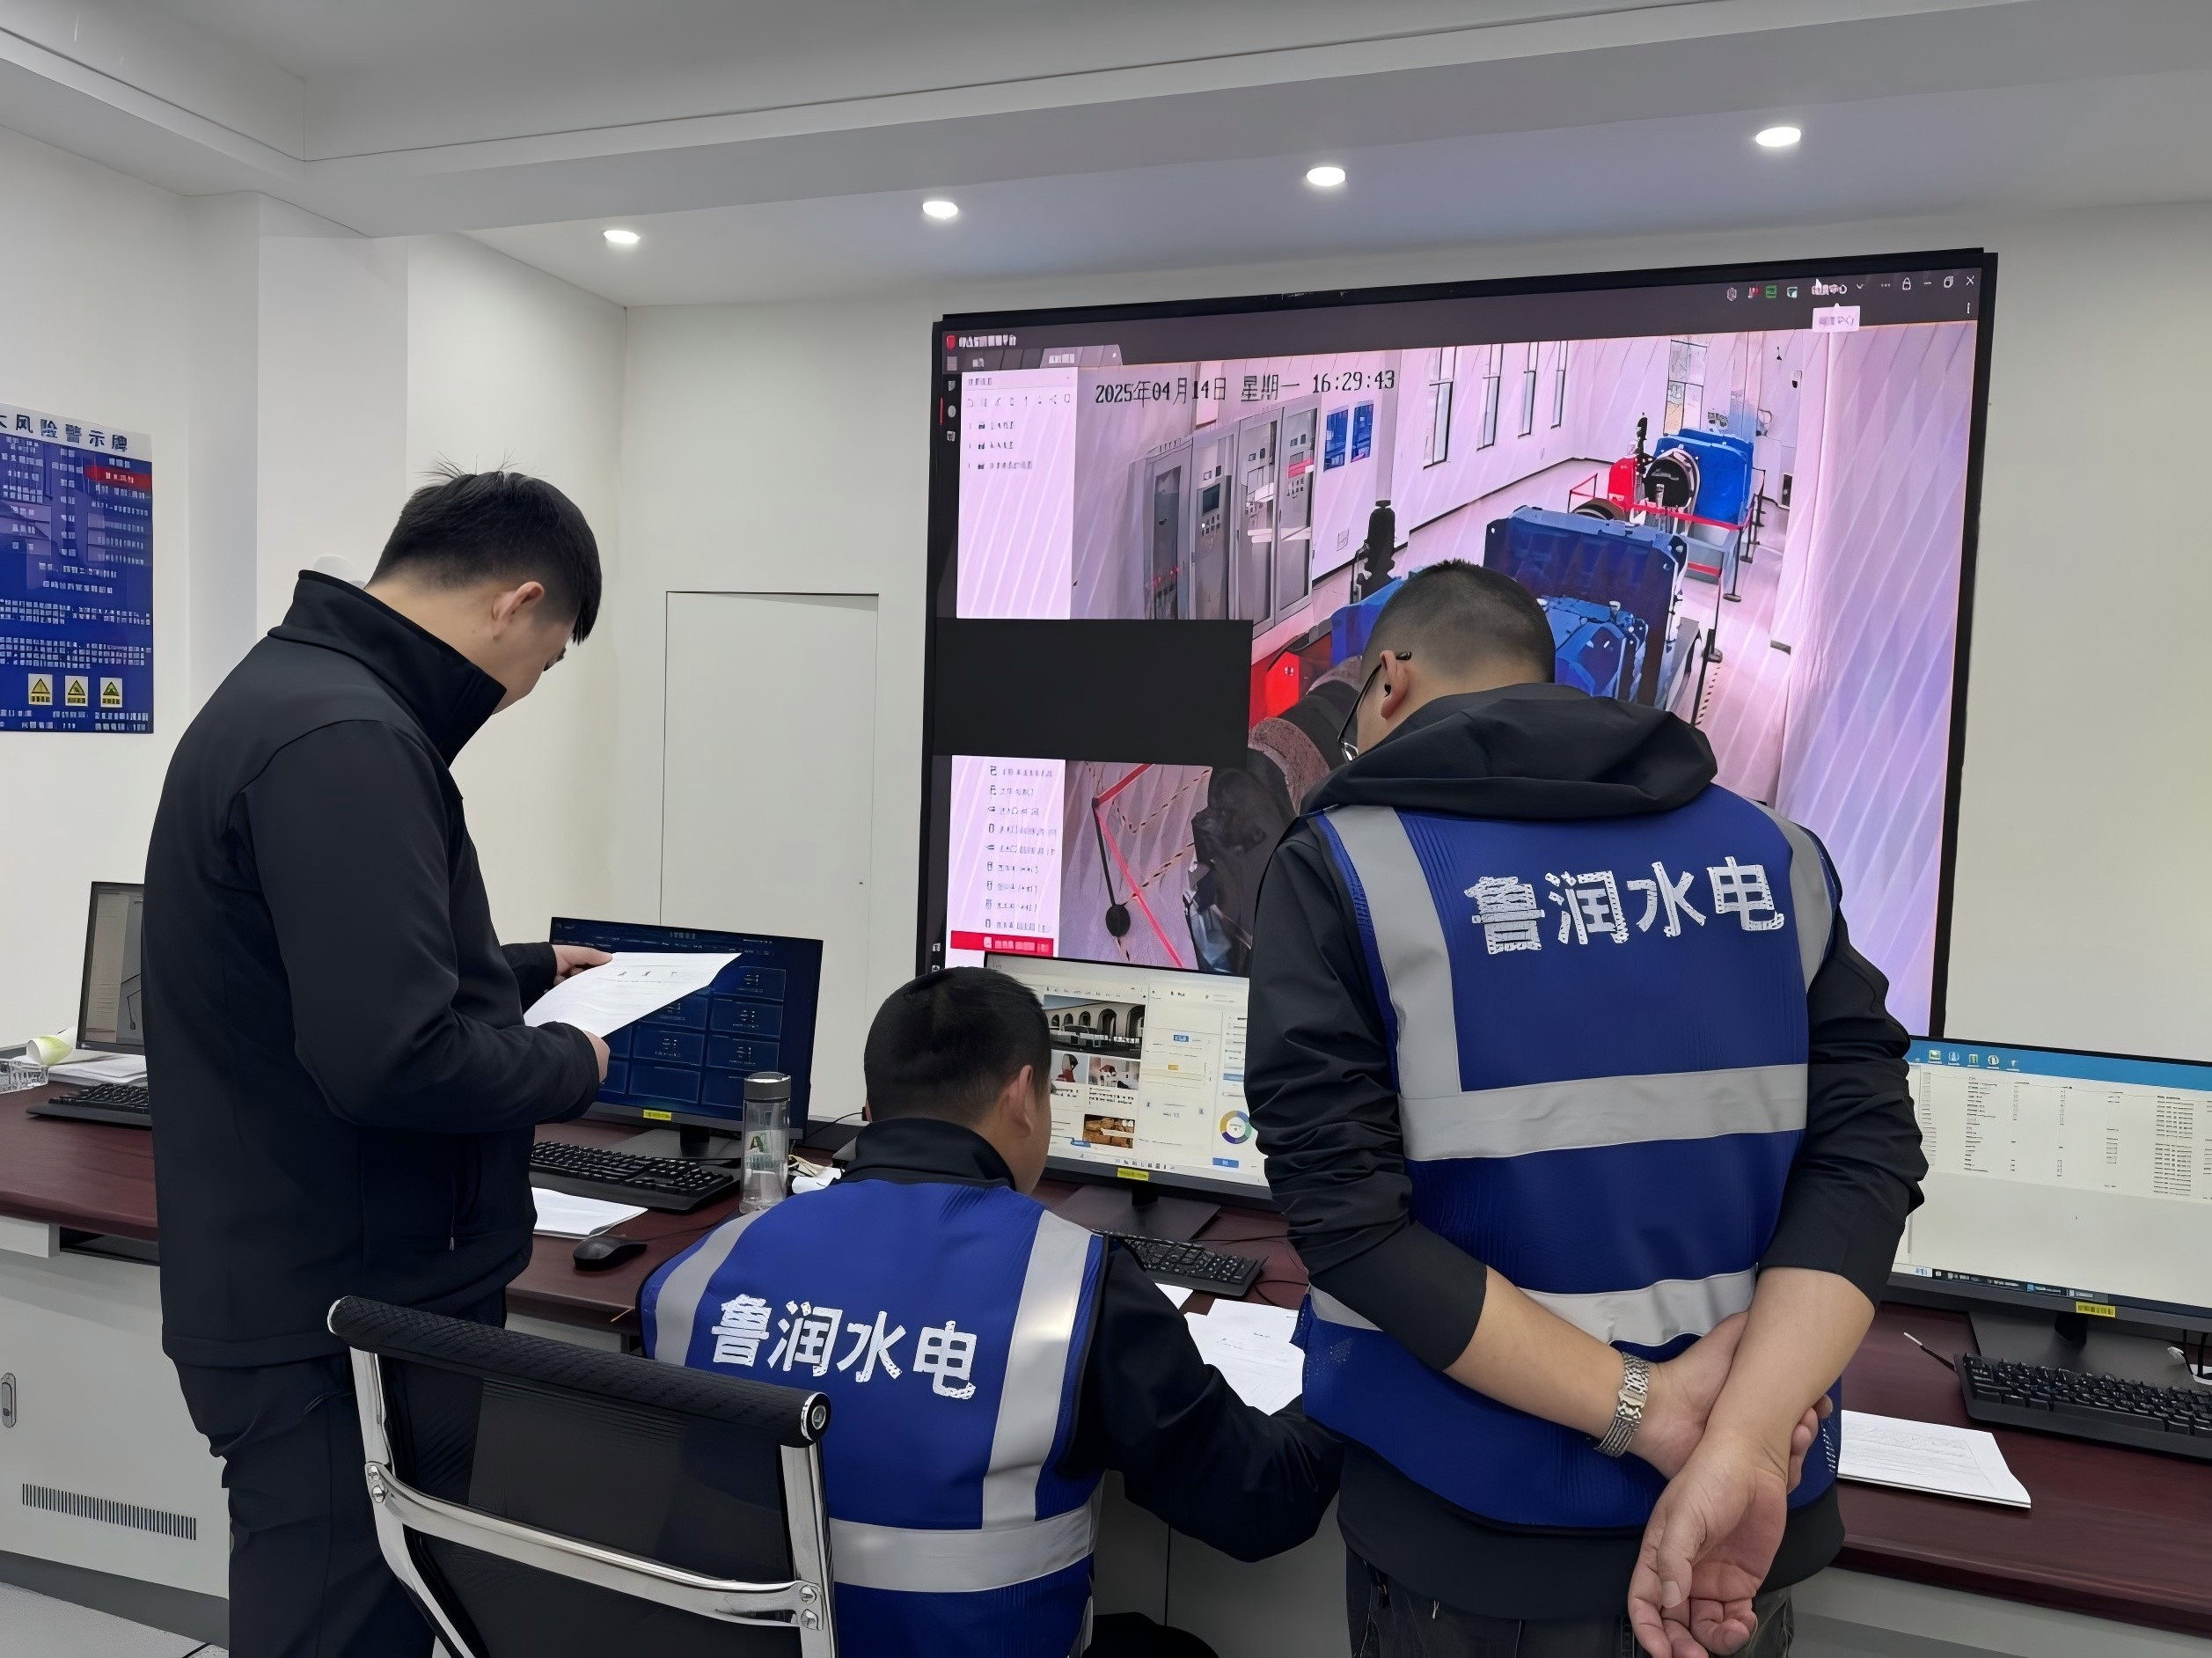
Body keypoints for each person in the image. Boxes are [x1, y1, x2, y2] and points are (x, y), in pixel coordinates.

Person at [1245, 561, 1926, 1657]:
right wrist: (1745, 1436)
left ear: (1388, 682)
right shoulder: (1776, 856)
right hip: (1738, 1537)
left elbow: (1349, 1223)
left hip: (1474, 1548)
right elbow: (1868, 1160)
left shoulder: (1347, 867)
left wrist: (1651, 1411)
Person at [143, 469, 618, 1656]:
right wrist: (567, 1062)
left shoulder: (292, 692)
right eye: (547, 661)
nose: (524, 692)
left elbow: (317, 966)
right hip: (339, 1314)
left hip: (307, 1279)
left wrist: (515, 971)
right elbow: (393, 1060)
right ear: (517, 602)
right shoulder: (350, 737)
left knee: (362, 1611)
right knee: (340, 1624)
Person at [642, 967, 1343, 1657]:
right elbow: (1261, 1503)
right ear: (1022, 1096)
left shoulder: (700, 1269)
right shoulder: (1076, 1286)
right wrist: (1343, 1359)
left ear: (871, 1104)